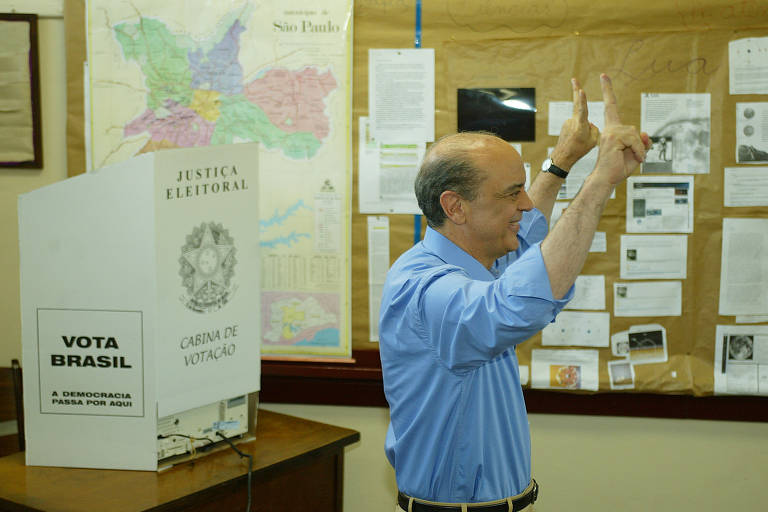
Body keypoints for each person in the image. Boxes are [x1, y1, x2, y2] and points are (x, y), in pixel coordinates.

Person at [379, 74, 650, 512]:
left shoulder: (477, 263)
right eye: (511, 194)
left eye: (523, 189)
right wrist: (601, 180)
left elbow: (526, 243)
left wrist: (562, 161)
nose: (525, 204)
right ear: (455, 207)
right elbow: (519, 303)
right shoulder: (425, 289)